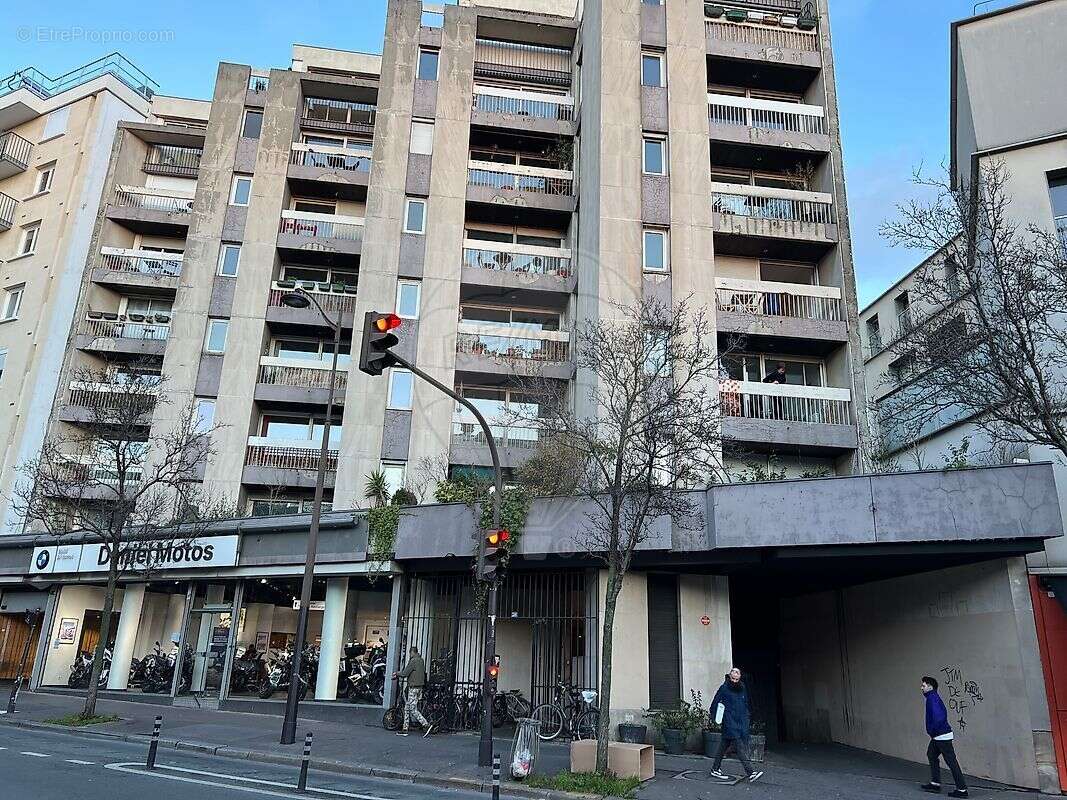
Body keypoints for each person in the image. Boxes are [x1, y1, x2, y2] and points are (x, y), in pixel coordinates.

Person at [708, 667, 764, 783]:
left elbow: (745, 703)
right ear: (729, 677)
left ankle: (715, 768)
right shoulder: (724, 688)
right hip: (729, 721)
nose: (734, 681)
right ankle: (750, 772)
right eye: (732, 678)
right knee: (739, 747)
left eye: (736, 678)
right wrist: (715, 716)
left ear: (739, 678)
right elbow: (715, 702)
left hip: (738, 721)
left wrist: (746, 717)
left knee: (723, 745)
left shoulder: (742, 688)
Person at [921, 676, 968, 797]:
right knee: (931, 754)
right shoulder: (932, 697)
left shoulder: (932, 698)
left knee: (951, 762)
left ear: (930, 687)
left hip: (941, 735)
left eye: (924, 685)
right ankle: (935, 783)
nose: (922, 688)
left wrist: (932, 730)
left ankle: (962, 790)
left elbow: (939, 717)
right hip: (938, 735)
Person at [393, 646, 432, 737]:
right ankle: (405, 728)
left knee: (413, 709)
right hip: (419, 688)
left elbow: (405, 673)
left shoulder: (413, 661)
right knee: (407, 707)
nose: (409, 655)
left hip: (413, 688)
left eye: (410, 653)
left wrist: (396, 673)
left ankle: (426, 724)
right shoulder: (421, 660)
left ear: (412, 652)